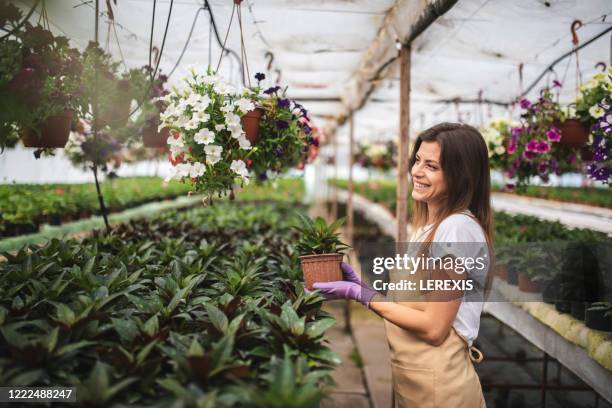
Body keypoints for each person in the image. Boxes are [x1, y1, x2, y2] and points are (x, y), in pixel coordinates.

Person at [313, 123, 492, 407]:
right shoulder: (430, 227)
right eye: (418, 160)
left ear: (461, 176)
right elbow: (418, 304)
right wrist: (364, 289)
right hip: (417, 381)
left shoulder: (456, 229)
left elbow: (434, 327)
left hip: (441, 391)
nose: (417, 172)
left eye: (432, 166)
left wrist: (365, 298)